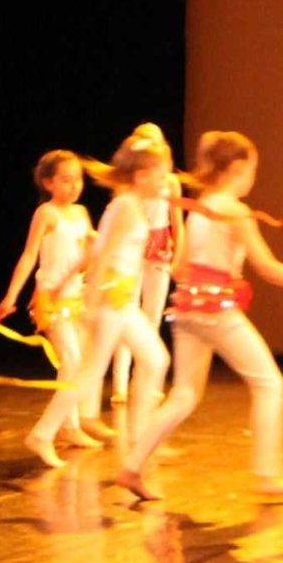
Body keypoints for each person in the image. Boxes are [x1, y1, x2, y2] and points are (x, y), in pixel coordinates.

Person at [113, 131, 283, 502]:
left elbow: (180, 267)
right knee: (269, 384)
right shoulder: (234, 211)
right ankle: (268, 476)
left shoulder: (202, 206)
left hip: (188, 308)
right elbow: (267, 267)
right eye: (252, 169)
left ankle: (132, 467)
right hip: (217, 312)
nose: (253, 177)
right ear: (236, 168)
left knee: (185, 395)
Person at [65, 137, 172, 450]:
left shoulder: (133, 205)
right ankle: (48, 430)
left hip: (122, 302)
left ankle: (141, 437)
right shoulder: (124, 206)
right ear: (142, 176)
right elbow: (103, 256)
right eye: (161, 175)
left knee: (155, 359)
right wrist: (90, 303)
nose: (165, 181)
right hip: (109, 300)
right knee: (92, 370)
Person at [0, 149, 94, 467]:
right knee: (73, 364)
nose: (74, 186)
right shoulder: (46, 213)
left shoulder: (81, 213)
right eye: (65, 180)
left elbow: (87, 256)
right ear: (48, 182)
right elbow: (29, 256)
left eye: (77, 179)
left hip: (77, 298)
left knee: (79, 365)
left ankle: (71, 426)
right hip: (51, 301)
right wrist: (11, 296)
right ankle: (43, 433)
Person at [112, 122, 179, 410]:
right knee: (127, 311)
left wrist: (178, 253)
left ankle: (145, 382)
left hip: (160, 245)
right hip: (135, 244)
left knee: (151, 316)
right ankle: (120, 383)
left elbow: (177, 221)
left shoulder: (170, 182)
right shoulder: (129, 187)